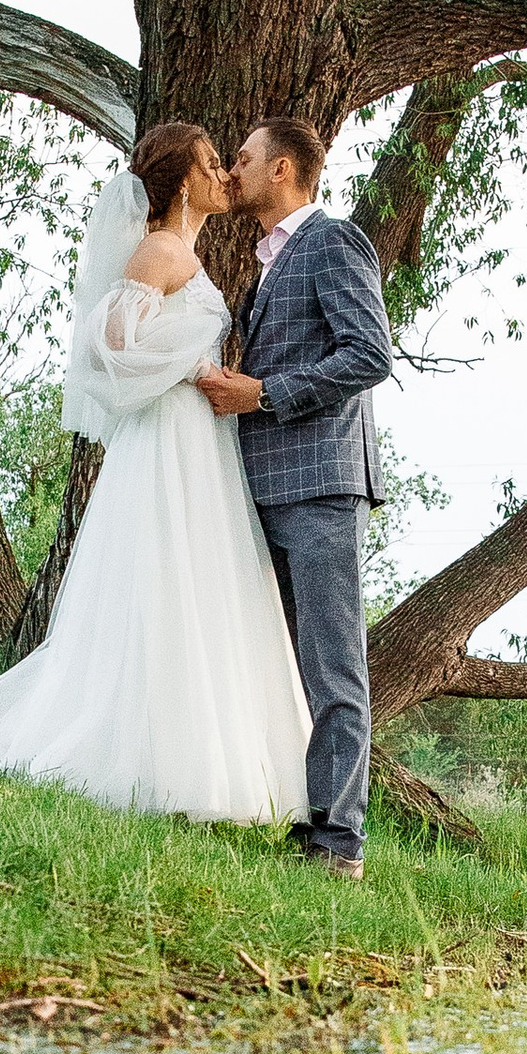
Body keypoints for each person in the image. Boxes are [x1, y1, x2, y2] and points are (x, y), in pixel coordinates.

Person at [0, 124, 311, 822]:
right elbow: (109, 346)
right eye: (211, 163)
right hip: (167, 436)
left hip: (198, 439)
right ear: (181, 182)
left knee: (191, 581)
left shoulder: (182, 253)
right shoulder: (161, 248)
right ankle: (157, 760)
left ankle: (201, 754)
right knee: (166, 578)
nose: (224, 173)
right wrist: (190, 360)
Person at [193, 118, 394, 876]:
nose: (232, 170)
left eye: (242, 159)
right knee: (277, 661)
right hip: (261, 487)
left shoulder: (334, 241)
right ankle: (291, 813)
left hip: (318, 486)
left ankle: (340, 844)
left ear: (282, 170)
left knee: (333, 665)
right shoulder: (265, 264)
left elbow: (369, 354)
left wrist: (265, 392)